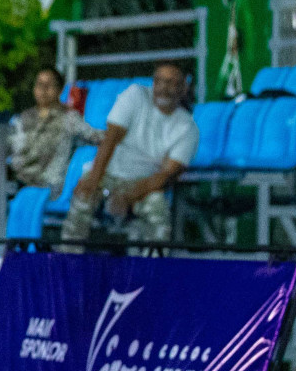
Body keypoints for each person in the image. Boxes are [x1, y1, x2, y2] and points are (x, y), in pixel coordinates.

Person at [61, 63, 197, 248]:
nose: (165, 88)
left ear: (183, 89)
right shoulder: (136, 95)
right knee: (83, 196)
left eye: (172, 83)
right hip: (107, 174)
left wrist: (127, 196)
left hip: (144, 183)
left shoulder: (188, 128)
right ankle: (68, 262)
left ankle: (152, 269)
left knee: (158, 212)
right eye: (160, 81)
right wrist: (93, 179)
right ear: (153, 84)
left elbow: (166, 175)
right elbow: (110, 139)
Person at [10, 68, 101, 192]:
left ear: (60, 89)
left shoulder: (69, 118)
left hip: (47, 188)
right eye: (40, 84)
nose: (43, 90)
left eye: (49, 85)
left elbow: (98, 137)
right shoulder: (24, 118)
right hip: (19, 183)